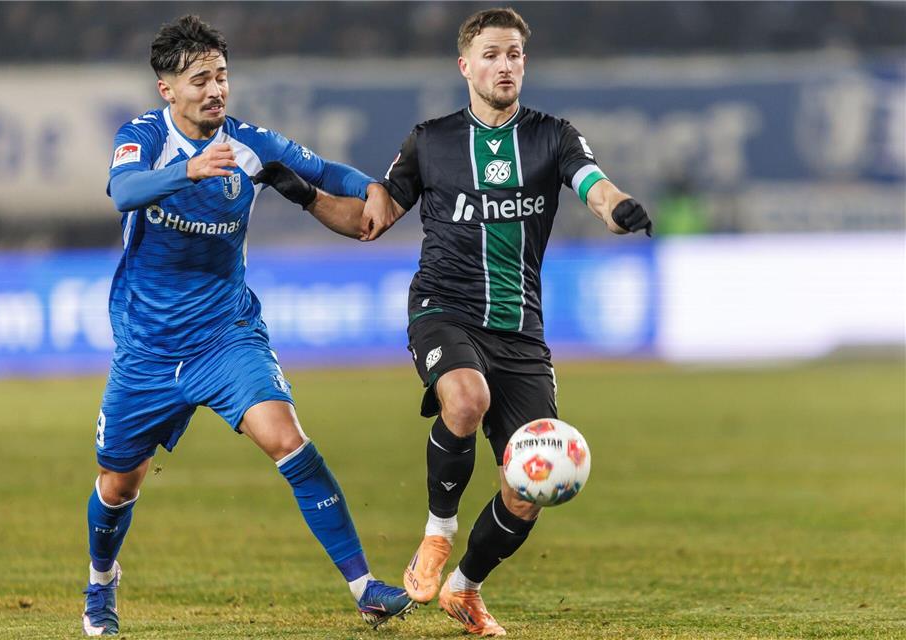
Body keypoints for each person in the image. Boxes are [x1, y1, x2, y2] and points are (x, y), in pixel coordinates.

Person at [261, 7, 653, 636]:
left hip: (521, 332)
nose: (505, 66)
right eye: (493, 55)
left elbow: (593, 184)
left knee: (530, 488)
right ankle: (436, 533)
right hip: (443, 309)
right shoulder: (431, 140)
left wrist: (619, 208)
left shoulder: (553, 136)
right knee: (464, 398)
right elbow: (372, 218)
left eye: (515, 55)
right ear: (465, 65)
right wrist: (303, 192)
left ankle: (465, 588)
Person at [83, 15, 412, 636]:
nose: (215, 90)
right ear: (167, 89)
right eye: (200, 78)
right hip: (146, 349)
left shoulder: (249, 143)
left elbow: (322, 171)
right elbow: (123, 192)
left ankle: (366, 587)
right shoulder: (144, 137)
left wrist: (371, 187)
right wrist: (189, 171)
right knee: (117, 484)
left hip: (224, 336)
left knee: (288, 439)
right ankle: (100, 587)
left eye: (222, 76)